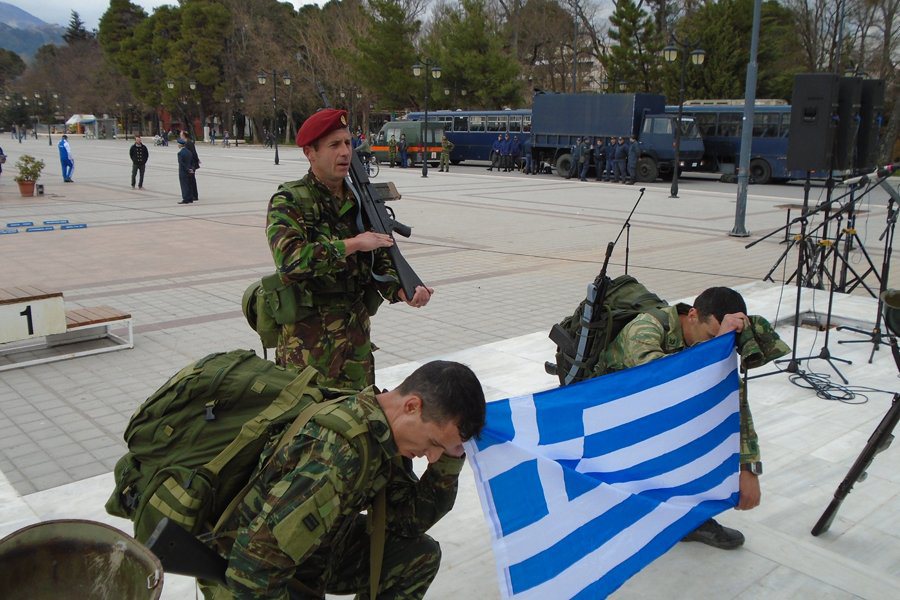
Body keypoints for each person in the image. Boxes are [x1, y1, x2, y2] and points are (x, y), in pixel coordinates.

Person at [204, 359, 486, 600]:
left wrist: (452, 455)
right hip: (247, 575)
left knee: (419, 556)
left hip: (316, 554)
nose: (433, 457)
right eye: (434, 443)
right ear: (412, 406)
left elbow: (407, 521)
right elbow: (253, 571)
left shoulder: (381, 430)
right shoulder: (338, 455)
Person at [266, 108, 433, 388]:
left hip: (356, 343)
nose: (345, 152)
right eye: (334, 145)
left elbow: (380, 257)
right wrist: (352, 244)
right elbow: (290, 260)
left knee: (360, 419)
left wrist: (401, 289)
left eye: (347, 143)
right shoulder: (290, 199)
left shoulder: (360, 199)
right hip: (308, 350)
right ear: (310, 153)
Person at [598, 286, 761, 549]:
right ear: (693, 315)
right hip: (611, 413)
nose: (714, 346)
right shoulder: (646, 329)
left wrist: (748, 468)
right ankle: (684, 514)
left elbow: (734, 401)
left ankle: (690, 516)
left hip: (648, 409)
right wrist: (714, 349)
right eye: (710, 336)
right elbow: (663, 384)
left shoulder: (709, 340)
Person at [181, 130, 200, 201]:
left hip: (191, 164)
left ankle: (194, 195)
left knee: (191, 179)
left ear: (184, 135)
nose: (180, 136)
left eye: (181, 134)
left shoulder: (189, 143)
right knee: (190, 179)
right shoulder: (186, 142)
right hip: (189, 163)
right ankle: (192, 194)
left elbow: (193, 152)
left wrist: (196, 160)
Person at [176, 138, 194, 204]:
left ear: (180, 145)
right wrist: (191, 168)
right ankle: (190, 198)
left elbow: (181, 163)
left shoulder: (180, 153)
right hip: (190, 171)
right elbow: (192, 162)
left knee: (184, 185)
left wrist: (187, 169)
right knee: (189, 184)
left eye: (178, 144)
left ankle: (185, 198)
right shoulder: (189, 152)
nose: (177, 145)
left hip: (183, 171)